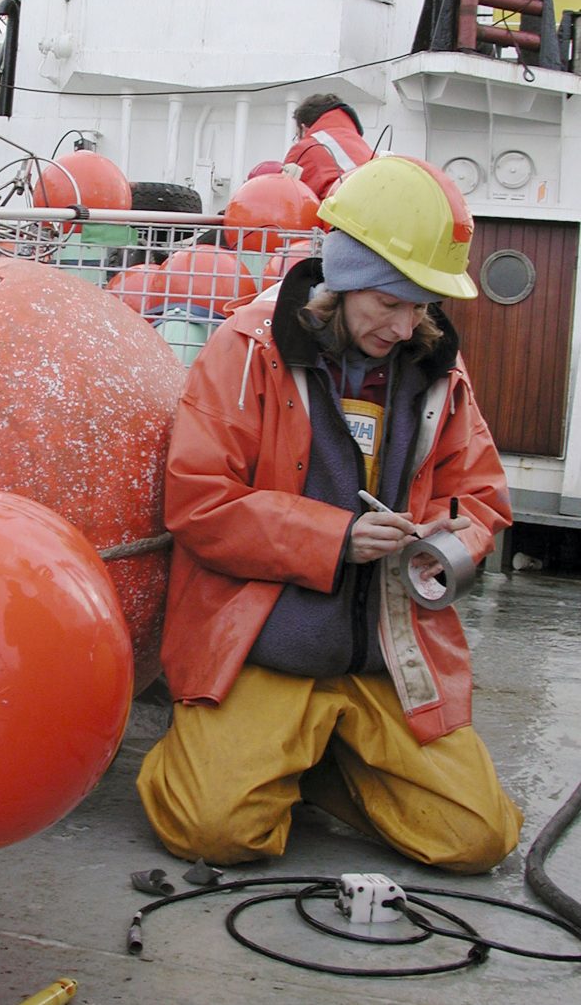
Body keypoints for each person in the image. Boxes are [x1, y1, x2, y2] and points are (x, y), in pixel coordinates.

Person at [137, 155, 523, 874]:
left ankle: (304, 762)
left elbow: (484, 500)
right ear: (343, 275)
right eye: (389, 301)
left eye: (421, 305)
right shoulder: (245, 350)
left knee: (479, 838)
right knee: (213, 831)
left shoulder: (440, 372)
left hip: (386, 656)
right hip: (268, 646)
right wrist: (337, 537)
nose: (406, 326)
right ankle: (224, 754)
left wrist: (447, 547)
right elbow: (199, 502)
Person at [283, 92, 373, 200]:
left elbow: (284, 201)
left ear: (304, 128)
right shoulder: (360, 145)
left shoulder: (305, 148)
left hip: (345, 214)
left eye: (298, 136)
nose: (298, 141)